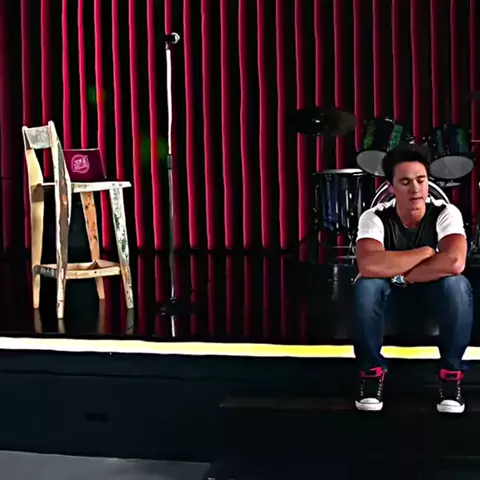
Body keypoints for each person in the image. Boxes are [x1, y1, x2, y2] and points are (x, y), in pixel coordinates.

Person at [354, 144, 473, 414]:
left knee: (457, 285)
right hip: (390, 299)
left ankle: (450, 375)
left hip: (432, 294)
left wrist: (397, 273)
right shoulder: (374, 217)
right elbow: (369, 264)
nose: (416, 189)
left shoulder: (445, 212)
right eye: (405, 182)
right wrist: (427, 252)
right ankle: (371, 373)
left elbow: (455, 262)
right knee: (367, 286)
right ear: (391, 187)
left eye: (421, 180)